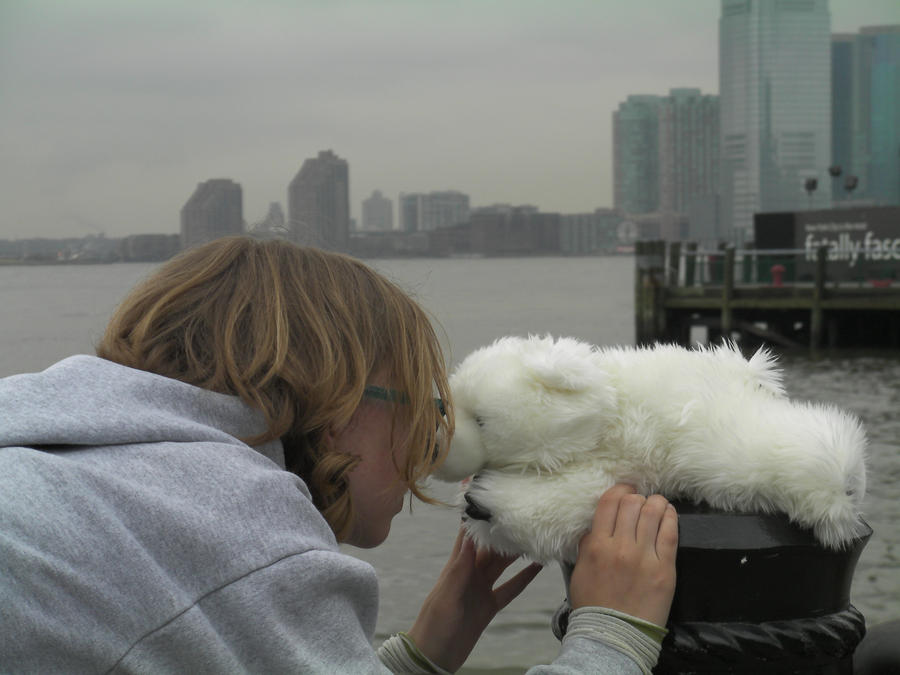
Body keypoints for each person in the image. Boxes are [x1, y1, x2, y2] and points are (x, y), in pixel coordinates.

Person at [0, 236, 678, 674]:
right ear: (339, 404)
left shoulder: (58, 444)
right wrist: (611, 636)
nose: (429, 448)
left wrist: (422, 652)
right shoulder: (238, 529)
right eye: (421, 403)